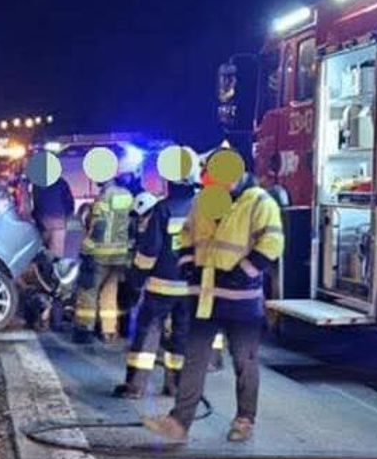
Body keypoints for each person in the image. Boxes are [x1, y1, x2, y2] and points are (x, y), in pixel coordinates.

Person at [144, 162, 284, 443]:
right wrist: (186, 264)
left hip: (241, 300)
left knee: (245, 361)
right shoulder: (203, 202)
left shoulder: (260, 202)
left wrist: (243, 272)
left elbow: (272, 244)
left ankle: (244, 420)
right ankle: (179, 423)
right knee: (194, 359)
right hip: (205, 296)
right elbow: (186, 235)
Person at [114, 180, 196, 398]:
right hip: (191, 287)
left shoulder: (163, 209)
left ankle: (135, 386)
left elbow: (150, 250)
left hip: (161, 285)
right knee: (182, 335)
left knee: (147, 333)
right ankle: (176, 385)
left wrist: (137, 277)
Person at [73, 174, 134, 342]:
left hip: (101, 254)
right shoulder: (126, 195)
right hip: (120, 254)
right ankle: (108, 331)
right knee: (110, 291)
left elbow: (100, 226)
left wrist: (87, 247)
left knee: (88, 291)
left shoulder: (104, 197)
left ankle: (84, 330)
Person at [31, 174, 75, 259]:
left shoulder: (35, 185)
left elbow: (32, 207)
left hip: (44, 228)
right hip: (58, 226)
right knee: (57, 260)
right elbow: (70, 205)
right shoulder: (61, 183)